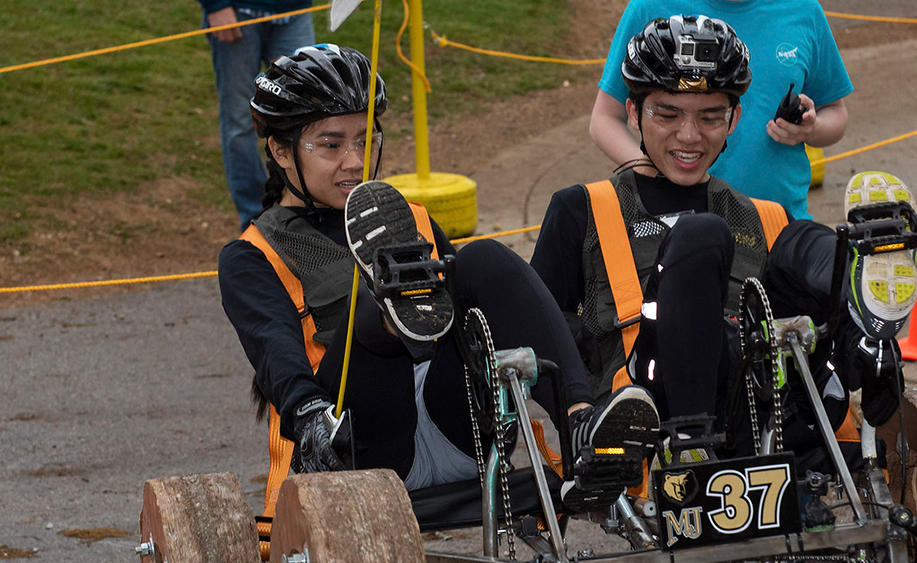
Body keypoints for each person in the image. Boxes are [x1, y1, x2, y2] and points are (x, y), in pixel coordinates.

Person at [217, 44, 661, 523]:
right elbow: (275, 352)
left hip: (460, 423)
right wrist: (308, 413)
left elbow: (488, 306)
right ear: (281, 151)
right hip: (359, 438)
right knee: (371, 303)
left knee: (483, 259)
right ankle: (390, 313)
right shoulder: (253, 254)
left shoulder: (413, 220)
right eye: (331, 145)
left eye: (365, 141)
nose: (354, 161)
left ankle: (581, 429)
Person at [532, 17, 904, 473]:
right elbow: (540, 337)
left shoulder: (759, 215)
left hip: (760, 404)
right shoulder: (581, 210)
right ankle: (694, 448)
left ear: (735, 119)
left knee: (804, 240)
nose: (689, 136)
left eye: (710, 117)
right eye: (667, 114)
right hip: (648, 407)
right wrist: (581, 413)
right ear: (632, 113)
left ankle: (867, 317)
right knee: (702, 235)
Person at [588, 0, 851, 220]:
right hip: (677, 224)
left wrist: (812, 129)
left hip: (781, 223)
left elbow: (836, 113)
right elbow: (604, 119)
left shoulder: (803, 9)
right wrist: (656, 172)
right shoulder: (650, 6)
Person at [198, 0, 317, 230]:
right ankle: (257, 222)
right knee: (239, 123)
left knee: (306, 117)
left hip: (297, 11)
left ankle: (305, 215)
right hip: (237, 11)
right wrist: (216, 5)